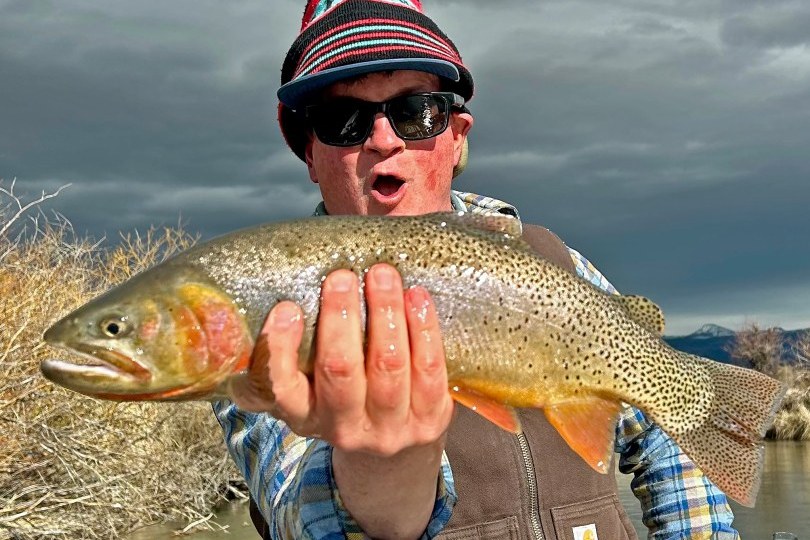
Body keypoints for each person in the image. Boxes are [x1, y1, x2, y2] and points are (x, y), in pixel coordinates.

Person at [214, 1, 740, 538]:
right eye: (341, 120)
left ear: (457, 134)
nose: (384, 139)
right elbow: (298, 511)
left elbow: (669, 435)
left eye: (416, 111)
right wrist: (380, 467)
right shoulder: (260, 305)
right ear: (309, 153)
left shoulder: (550, 261)